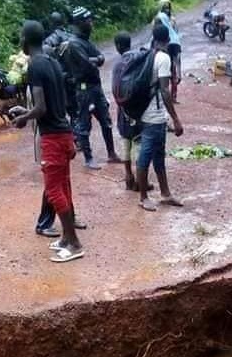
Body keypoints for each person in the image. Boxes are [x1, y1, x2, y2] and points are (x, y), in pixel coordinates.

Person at [13, 21, 84, 263]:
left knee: (54, 190)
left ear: (25, 40)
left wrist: (24, 117)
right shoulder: (52, 60)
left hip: (52, 136)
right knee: (63, 185)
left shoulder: (34, 65)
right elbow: (55, 102)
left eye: (21, 37)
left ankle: (74, 243)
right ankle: (65, 238)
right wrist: (28, 109)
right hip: (64, 131)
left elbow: (41, 108)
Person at [65, 6, 122, 170]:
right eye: (88, 20)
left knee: (106, 120)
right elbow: (87, 66)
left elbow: (101, 58)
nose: (91, 23)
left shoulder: (85, 41)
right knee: (84, 123)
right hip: (84, 89)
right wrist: (95, 60)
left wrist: (95, 60)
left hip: (96, 87)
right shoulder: (74, 44)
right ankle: (89, 158)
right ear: (80, 22)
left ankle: (111, 153)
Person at [137, 24, 184, 212]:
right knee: (146, 155)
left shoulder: (148, 54)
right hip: (153, 116)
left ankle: (165, 193)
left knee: (158, 154)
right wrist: (176, 119)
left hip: (145, 112)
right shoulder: (163, 58)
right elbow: (165, 91)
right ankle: (143, 197)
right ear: (168, 39)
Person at [113, 31, 153, 193]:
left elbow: (115, 90)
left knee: (125, 143)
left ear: (118, 47)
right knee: (138, 145)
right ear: (129, 43)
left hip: (123, 111)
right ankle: (140, 181)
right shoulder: (139, 59)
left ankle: (128, 176)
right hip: (138, 111)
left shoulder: (117, 65)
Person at [154, 0, 182, 103]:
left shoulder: (159, 19)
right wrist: (179, 72)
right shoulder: (171, 22)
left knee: (161, 73)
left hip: (167, 48)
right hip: (174, 45)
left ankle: (165, 97)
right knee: (172, 72)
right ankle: (172, 97)